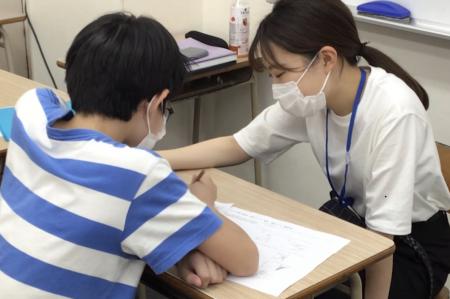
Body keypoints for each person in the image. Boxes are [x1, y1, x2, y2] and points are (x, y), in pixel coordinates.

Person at [160, 1, 450, 298]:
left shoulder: (394, 112)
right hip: (354, 222)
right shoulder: (315, 96)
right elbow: (238, 145)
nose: (276, 86)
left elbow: (383, 241)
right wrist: (153, 160)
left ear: (326, 59)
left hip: (410, 244)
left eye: (281, 73)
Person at [0, 12, 258, 298]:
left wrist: (182, 246)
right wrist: (205, 203)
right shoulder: (138, 175)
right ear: (156, 103)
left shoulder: (30, 110)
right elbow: (246, 259)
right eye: (166, 109)